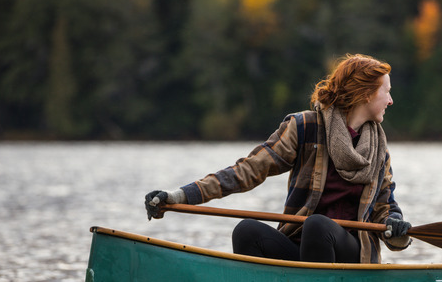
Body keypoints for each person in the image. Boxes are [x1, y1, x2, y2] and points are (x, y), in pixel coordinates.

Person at [144, 53, 412, 264]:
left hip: (352, 255)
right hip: (301, 246)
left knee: (318, 226)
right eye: (386, 92)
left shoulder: (379, 149)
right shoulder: (304, 127)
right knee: (247, 231)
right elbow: (248, 170)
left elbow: (385, 208)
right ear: (366, 94)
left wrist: (397, 229)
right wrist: (179, 196)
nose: (390, 100)